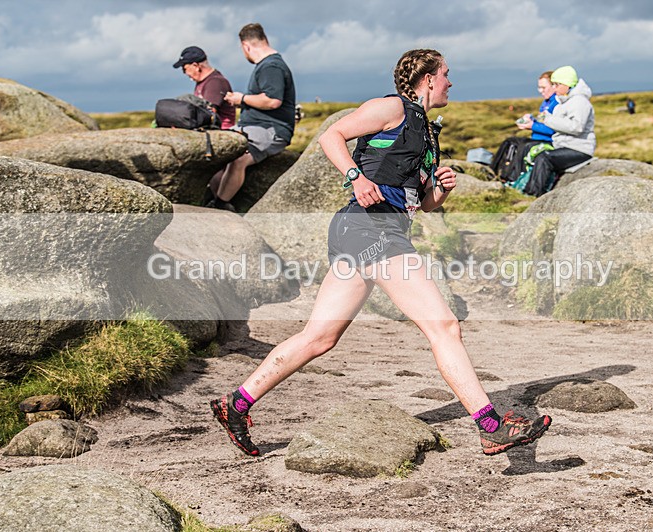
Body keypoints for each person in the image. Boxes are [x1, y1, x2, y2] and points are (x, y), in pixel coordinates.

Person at [209, 49, 552, 458]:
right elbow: (330, 136)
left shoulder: (426, 132)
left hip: (369, 229)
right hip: (372, 227)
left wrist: (439, 188)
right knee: (443, 325)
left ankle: (237, 404)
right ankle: (490, 426)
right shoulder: (391, 108)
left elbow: (423, 203)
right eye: (446, 75)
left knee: (319, 337)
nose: (450, 82)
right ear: (427, 79)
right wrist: (355, 176)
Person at [206, 23, 296, 212]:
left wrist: (242, 98)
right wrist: (243, 102)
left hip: (271, 129)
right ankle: (214, 197)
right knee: (217, 150)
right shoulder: (267, 65)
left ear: (246, 46)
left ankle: (221, 205)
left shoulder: (271, 66)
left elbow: (273, 101)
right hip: (255, 126)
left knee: (238, 159)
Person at [518, 65, 595, 196]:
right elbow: (558, 123)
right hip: (564, 146)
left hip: (579, 149)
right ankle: (526, 189)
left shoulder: (580, 101)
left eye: (556, 84)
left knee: (545, 158)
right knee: (536, 152)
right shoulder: (564, 101)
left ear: (567, 84)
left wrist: (548, 120)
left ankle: (532, 194)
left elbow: (576, 127)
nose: (554, 88)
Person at [173, 46, 236, 129]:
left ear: (195, 66)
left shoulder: (215, 83)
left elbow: (208, 113)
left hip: (220, 132)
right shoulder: (203, 82)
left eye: (185, 69)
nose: (185, 73)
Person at [517, 70, 559, 143]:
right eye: (539, 87)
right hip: (537, 140)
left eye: (543, 87)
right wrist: (531, 120)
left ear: (554, 86)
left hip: (548, 142)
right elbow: (542, 121)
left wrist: (532, 126)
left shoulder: (557, 103)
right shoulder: (546, 102)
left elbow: (555, 129)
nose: (540, 91)